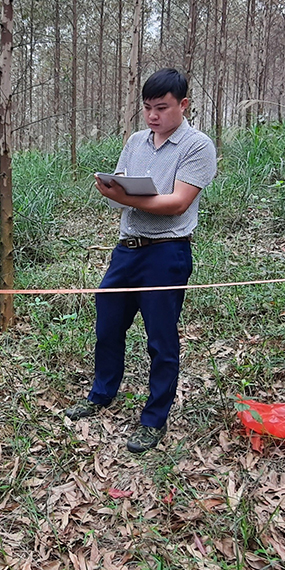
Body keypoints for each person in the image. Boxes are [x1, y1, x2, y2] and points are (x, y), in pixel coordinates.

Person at [64, 68, 217, 453]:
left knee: (161, 340)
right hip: (126, 249)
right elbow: (121, 181)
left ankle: (153, 420)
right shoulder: (136, 141)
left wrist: (123, 198)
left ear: (183, 104)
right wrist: (113, 187)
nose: (153, 116)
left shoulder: (197, 146)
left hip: (166, 252)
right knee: (108, 326)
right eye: (147, 108)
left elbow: (178, 202)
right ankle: (101, 393)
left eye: (162, 108)